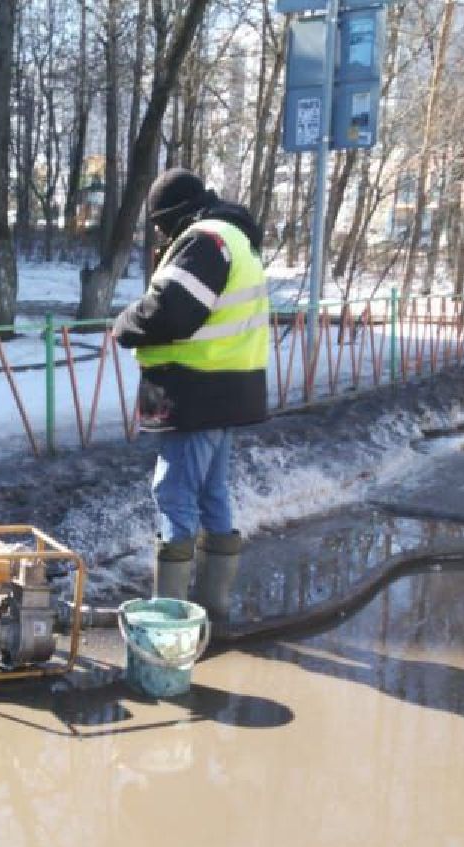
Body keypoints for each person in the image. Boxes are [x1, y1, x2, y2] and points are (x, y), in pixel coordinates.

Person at [111, 168, 270, 625]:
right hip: (227, 389)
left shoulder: (204, 240)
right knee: (212, 493)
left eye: (161, 224)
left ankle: (171, 619)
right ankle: (213, 610)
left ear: (173, 215)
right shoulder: (234, 237)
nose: (160, 233)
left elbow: (172, 311)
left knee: (174, 493)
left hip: (193, 390)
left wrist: (124, 324)